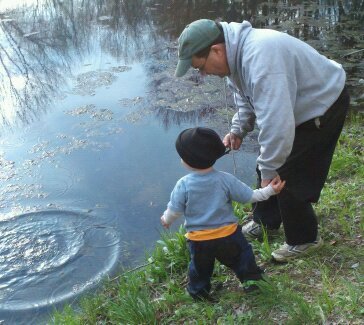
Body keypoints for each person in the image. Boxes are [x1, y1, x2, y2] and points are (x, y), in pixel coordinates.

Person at [174, 19, 350, 262]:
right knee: (267, 164)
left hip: (322, 103)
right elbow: (247, 98)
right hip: (294, 105)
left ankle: (305, 240)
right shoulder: (234, 59)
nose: (203, 74)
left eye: (201, 67)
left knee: (288, 175)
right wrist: (238, 130)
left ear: (216, 50)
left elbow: (277, 123)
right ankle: (265, 222)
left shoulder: (262, 58)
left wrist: (271, 167)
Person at [161, 127, 285, 301]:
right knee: (243, 258)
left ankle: (198, 292)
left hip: (199, 241)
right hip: (228, 236)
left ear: (188, 161)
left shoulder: (183, 185)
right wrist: (270, 190)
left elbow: (174, 210)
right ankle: (253, 283)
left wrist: (166, 220)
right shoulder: (225, 179)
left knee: (199, 268)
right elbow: (250, 196)